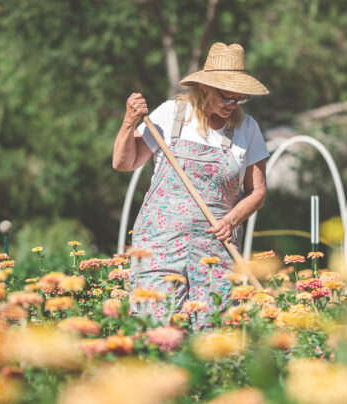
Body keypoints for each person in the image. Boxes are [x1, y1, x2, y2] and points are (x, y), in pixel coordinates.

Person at [113, 42, 269, 324]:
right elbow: (124, 163)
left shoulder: (248, 129)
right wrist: (128, 122)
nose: (232, 104)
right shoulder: (171, 114)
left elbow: (257, 192)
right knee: (156, 331)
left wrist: (231, 220)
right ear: (205, 87)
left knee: (211, 336)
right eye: (226, 97)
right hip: (159, 248)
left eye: (239, 98)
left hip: (215, 252)